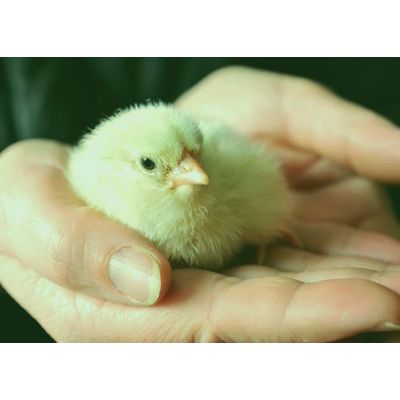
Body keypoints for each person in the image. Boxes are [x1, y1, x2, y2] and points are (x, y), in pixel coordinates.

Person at [1, 62, 400, 342]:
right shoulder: (96, 187)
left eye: (195, 156)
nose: (194, 170)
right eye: (151, 165)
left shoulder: (229, 178)